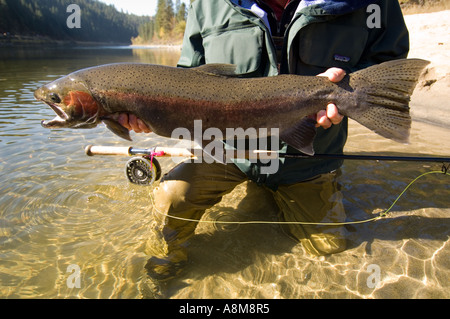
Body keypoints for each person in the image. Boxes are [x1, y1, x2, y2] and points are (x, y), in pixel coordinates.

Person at [120, 0, 409, 280]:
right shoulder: (206, 5)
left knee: (329, 248)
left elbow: (389, 59)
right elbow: (184, 79)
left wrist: (345, 86)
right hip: (229, 152)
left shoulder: (373, 3)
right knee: (171, 199)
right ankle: (164, 268)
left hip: (307, 158)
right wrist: (150, 112)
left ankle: (281, 191)